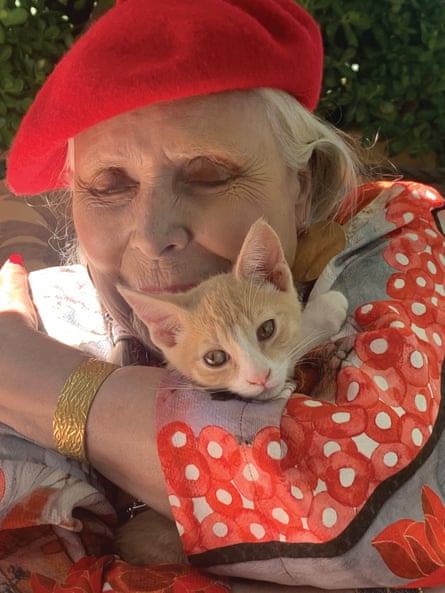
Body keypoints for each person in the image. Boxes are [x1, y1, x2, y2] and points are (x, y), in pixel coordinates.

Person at [0, 0, 445, 591]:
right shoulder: (49, 308)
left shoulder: (397, 231)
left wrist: (42, 381)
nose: (155, 237)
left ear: (301, 187)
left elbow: (376, 511)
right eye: (108, 184)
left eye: (209, 174)